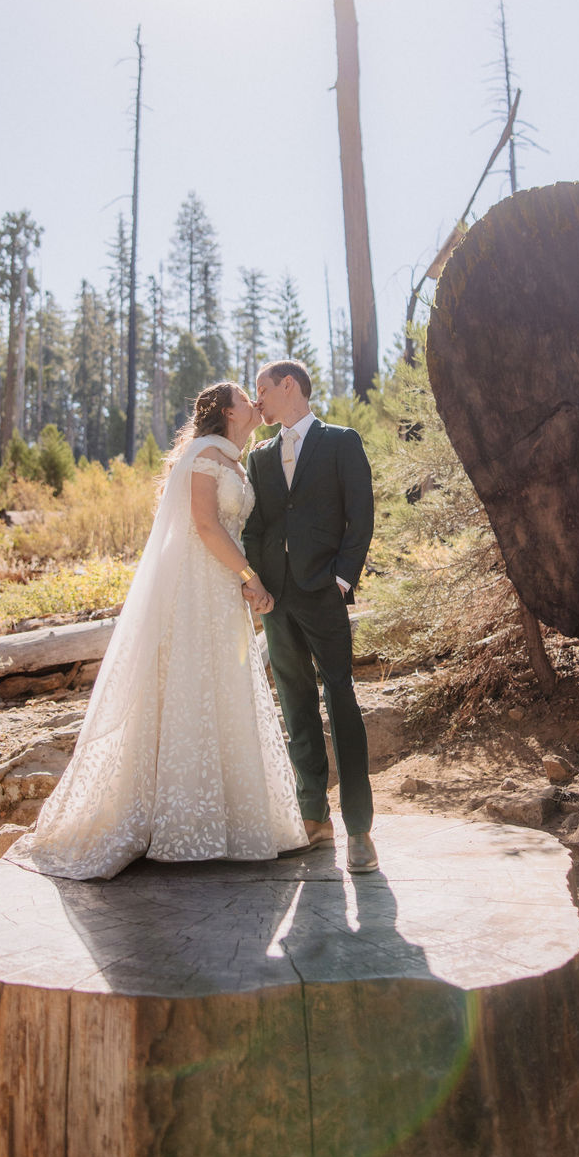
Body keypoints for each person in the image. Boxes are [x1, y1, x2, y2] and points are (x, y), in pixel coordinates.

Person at [7, 382, 306, 880]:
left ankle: (227, 820)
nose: (255, 403)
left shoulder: (234, 457)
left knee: (220, 689)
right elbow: (207, 527)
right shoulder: (205, 454)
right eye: (245, 397)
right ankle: (178, 821)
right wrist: (250, 577)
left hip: (219, 589)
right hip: (194, 589)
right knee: (189, 686)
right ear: (226, 412)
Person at [243, 359, 378, 873]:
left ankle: (360, 830)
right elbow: (256, 528)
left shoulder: (342, 442)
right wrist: (255, 582)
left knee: (340, 698)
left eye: (262, 390)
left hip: (324, 592)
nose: (257, 401)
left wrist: (342, 580)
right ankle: (313, 818)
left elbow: (359, 516)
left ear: (288, 386)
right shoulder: (259, 458)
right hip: (276, 599)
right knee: (296, 707)